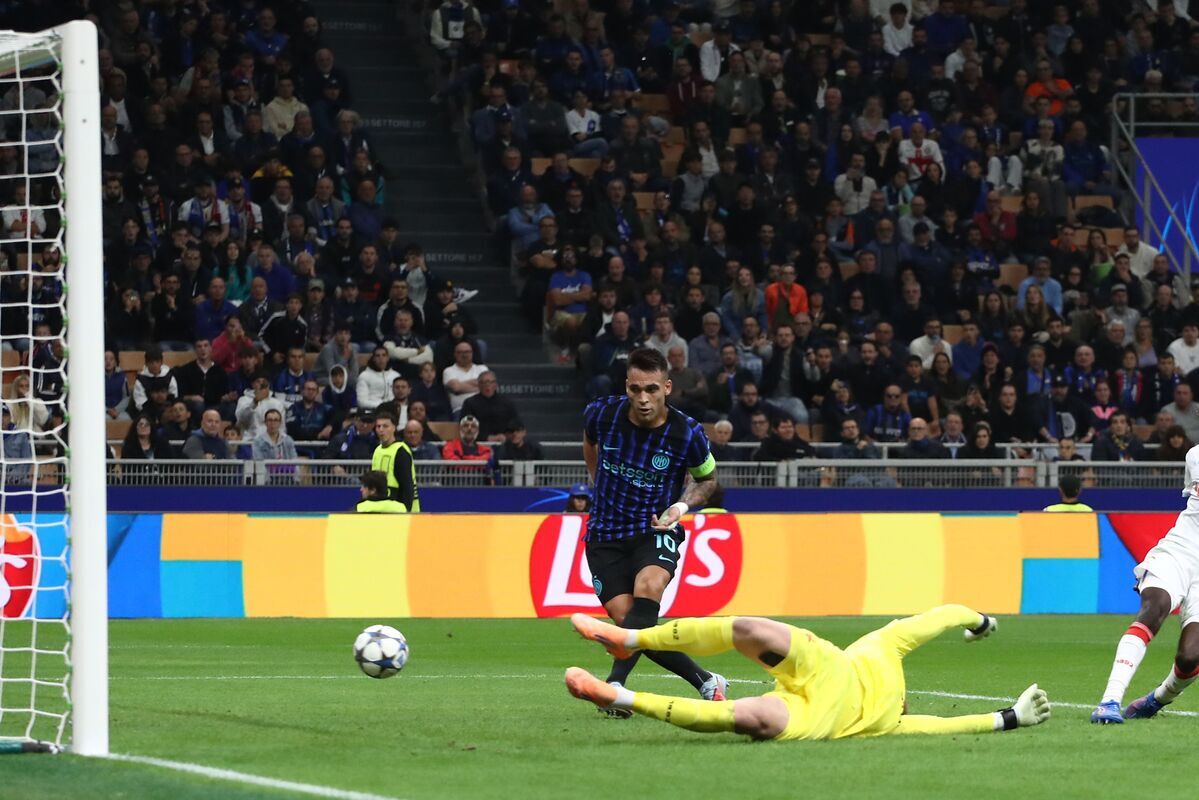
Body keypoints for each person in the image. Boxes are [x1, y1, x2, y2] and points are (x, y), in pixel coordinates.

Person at [565, 605, 1050, 740]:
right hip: (825, 665)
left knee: (750, 718)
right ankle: (629, 638)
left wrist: (1010, 717)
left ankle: (620, 697)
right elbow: (940, 615)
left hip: (813, 714)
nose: (908, 709)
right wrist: (977, 620)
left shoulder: (897, 724)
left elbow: (949, 724)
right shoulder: (880, 648)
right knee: (752, 629)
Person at [582, 348, 726, 713]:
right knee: (629, 623)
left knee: (648, 588)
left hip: (654, 528)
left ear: (667, 387)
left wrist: (679, 507)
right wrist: (595, 479)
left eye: (651, 390)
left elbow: (708, 480)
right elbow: (589, 440)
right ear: (626, 387)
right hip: (605, 533)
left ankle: (614, 686)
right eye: (635, 390)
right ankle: (707, 681)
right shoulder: (602, 413)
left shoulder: (687, 432)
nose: (643, 399)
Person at [1091, 442, 1199, 723]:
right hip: (1180, 549)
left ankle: (1159, 698)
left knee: (1190, 657)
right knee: (1155, 607)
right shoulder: (1195, 455)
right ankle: (1109, 700)